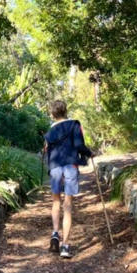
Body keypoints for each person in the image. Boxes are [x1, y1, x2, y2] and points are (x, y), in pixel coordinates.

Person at [43, 99, 92, 259]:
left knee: (56, 202)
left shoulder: (50, 132)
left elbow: (46, 151)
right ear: (66, 111)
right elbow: (79, 145)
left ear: (53, 114)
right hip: (70, 166)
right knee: (68, 205)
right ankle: (65, 246)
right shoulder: (74, 125)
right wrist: (89, 153)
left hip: (55, 167)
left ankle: (55, 233)